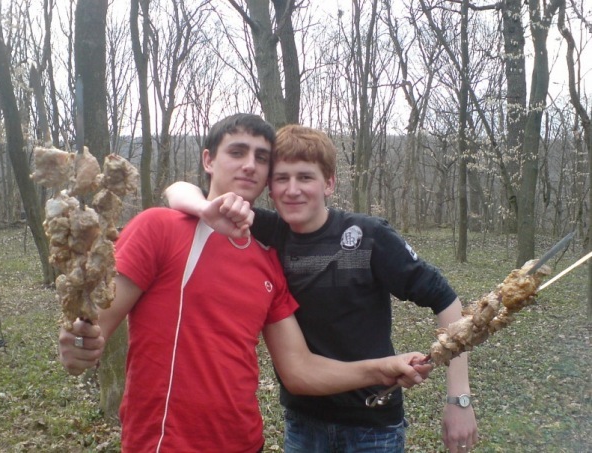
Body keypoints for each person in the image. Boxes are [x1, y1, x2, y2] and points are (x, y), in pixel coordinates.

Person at [58, 114, 432, 453]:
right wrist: (79, 345)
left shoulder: (268, 259)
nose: (250, 164)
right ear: (208, 160)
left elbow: (299, 370)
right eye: (237, 152)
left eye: (261, 157)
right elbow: (94, 326)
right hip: (167, 444)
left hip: (247, 442)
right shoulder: (159, 228)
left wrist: (382, 368)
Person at [165, 124, 479, 453]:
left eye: (305, 177)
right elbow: (178, 191)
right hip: (303, 425)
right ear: (270, 188)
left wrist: (459, 399)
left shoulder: (369, 236)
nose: (292, 190)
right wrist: (203, 209)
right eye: (282, 178)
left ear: (328, 183)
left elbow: (447, 302)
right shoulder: (270, 232)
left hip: (372, 427)